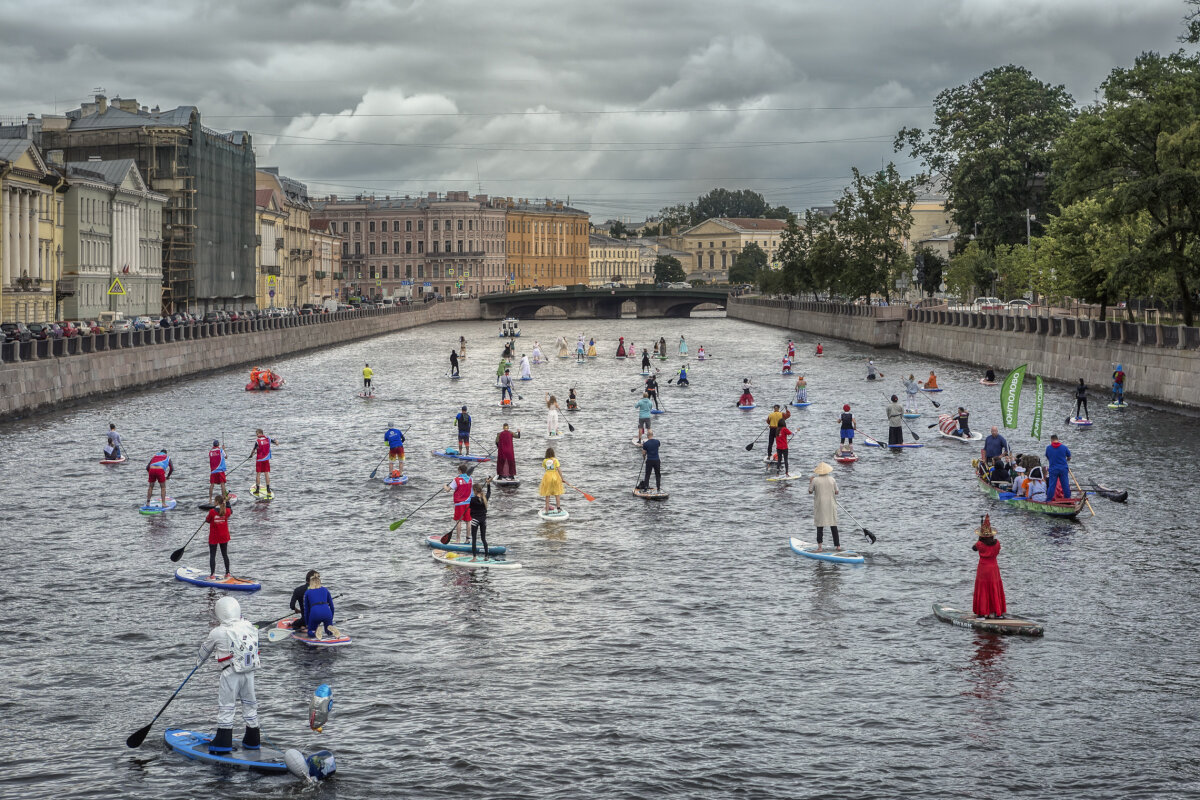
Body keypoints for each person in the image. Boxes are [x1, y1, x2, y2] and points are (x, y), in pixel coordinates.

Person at [196, 596, 260, 754]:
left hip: (230, 673)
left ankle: (223, 741)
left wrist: (198, 664)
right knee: (250, 704)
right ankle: (253, 740)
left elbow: (204, 651)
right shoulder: (249, 625)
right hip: (249, 671)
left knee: (227, 706)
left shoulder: (217, 632)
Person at [972, 515, 1006, 619]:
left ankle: (983, 613)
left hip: (983, 568)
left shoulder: (980, 544)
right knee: (995, 587)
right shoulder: (997, 543)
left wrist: (979, 539)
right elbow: (994, 548)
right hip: (994, 568)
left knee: (983, 589)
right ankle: (997, 612)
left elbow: (973, 548)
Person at [808, 462, 840, 551]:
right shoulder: (832, 479)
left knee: (820, 525)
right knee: (833, 525)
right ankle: (838, 546)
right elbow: (837, 492)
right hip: (831, 504)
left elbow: (810, 491)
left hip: (820, 505)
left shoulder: (815, 480)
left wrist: (810, 482)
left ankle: (820, 547)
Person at [302, 572, 338, 639]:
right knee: (328, 631)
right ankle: (331, 630)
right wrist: (331, 618)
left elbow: (306, 610)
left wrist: (307, 624)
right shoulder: (325, 590)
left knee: (310, 632)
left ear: (310, 583)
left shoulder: (307, 592)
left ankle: (315, 631)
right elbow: (332, 607)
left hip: (315, 613)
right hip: (327, 612)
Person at [206, 493, 233, 580]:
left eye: (214, 501)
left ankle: (212, 575)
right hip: (224, 536)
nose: (214, 502)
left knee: (212, 555)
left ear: (217, 502)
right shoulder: (226, 511)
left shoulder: (212, 512)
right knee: (225, 554)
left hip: (214, 536)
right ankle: (227, 573)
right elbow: (230, 510)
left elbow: (208, 520)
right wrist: (227, 502)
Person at [446, 465, 473, 541]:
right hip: (468, 503)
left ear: (460, 471)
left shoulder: (456, 480)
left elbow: (448, 490)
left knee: (459, 521)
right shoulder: (471, 479)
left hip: (459, 503)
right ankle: (467, 539)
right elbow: (472, 490)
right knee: (468, 521)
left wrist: (444, 486)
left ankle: (458, 539)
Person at [468, 480, 492, 560]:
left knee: (474, 539)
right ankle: (486, 556)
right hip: (483, 520)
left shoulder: (473, 499)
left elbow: (471, 507)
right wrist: (488, 484)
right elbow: (489, 492)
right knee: (483, 538)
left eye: (473, 490)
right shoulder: (485, 498)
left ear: (475, 490)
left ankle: (474, 557)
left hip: (475, 520)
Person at [538, 447, 566, 512]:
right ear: (553, 453)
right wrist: (562, 478)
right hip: (555, 476)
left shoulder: (544, 461)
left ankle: (547, 509)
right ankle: (558, 508)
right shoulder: (555, 460)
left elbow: (545, 469)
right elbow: (559, 469)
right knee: (557, 493)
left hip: (547, 477)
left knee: (547, 494)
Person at [1045, 434, 1072, 500]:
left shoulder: (1048, 448)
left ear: (1051, 440)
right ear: (1057, 439)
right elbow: (1069, 456)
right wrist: (1066, 460)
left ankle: (1049, 500)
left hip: (1053, 469)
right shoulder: (1064, 447)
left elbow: (1047, 457)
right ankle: (1067, 499)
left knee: (1052, 485)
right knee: (1065, 485)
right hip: (1063, 468)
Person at [251, 430, 276, 495]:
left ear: (260, 433)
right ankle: (268, 489)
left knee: (258, 474)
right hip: (266, 459)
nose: (257, 435)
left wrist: (251, 455)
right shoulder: (268, 439)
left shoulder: (257, 441)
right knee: (266, 473)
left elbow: (254, 450)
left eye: (257, 434)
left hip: (259, 460)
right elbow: (276, 443)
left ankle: (257, 490)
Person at [208, 439, 228, 503]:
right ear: (218, 445)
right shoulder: (221, 450)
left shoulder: (210, 452)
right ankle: (224, 499)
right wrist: (224, 449)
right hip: (220, 470)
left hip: (213, 471)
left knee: (212, 485)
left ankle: (210, 499)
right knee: (222, 484)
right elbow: (226, 457)